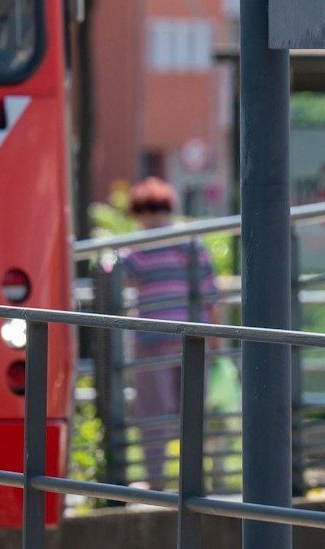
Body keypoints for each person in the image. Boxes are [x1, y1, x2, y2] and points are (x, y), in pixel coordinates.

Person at [114, 176, 217, 487]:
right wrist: (212, 336)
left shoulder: (137, 250)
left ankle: (156, 481)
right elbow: (211, 294)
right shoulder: (192, 245)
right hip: (191, 338)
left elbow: (116, 279)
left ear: (140, 211)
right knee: (192, 413)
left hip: (151, 338)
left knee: (153, 416)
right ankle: (194, 480)